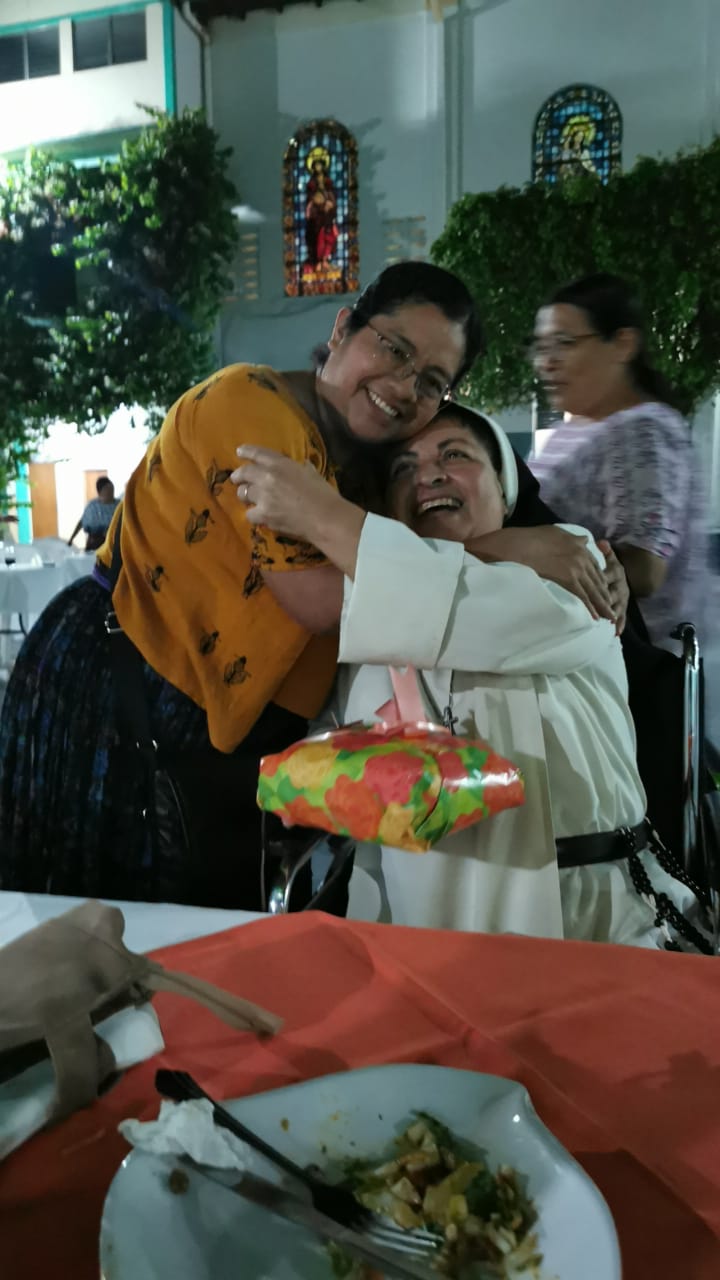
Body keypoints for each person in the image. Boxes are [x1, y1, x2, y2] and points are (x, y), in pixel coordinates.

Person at [0, 263, 485, 907]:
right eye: (394, 349)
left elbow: (467, 514)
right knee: (98, 920)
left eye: (431, 382)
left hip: (226, 747)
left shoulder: (367, 469)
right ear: (343, 329)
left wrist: (544, 542)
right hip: (120, 688)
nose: (403, 386)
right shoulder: (251, 407)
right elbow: (317, 599)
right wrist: (505, 558)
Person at [233, 405, 708, 949]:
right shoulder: (372, 609)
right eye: (403, 469)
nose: (428, 475)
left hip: (591, 921)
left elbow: (452, 600)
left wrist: (321, 514)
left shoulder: (573, 563)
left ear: (505, 493)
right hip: (416, 931)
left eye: (454, 455)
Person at [527, 273, 715, 654]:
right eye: (541, 347)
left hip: (641, 665)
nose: (546, 362)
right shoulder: (572, 430)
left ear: (622, 344)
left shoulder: (643, 430)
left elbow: (646, 569)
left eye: (564, 344)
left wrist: (532, 553)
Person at [68, 476, 120, 552]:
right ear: (100, 492)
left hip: (113, 543)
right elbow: (82, 522)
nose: (111, 492)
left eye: (112, 489)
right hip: (94, 543)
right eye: (108, 490)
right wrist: (71, 538)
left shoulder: (119, 505)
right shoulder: (92, 506)